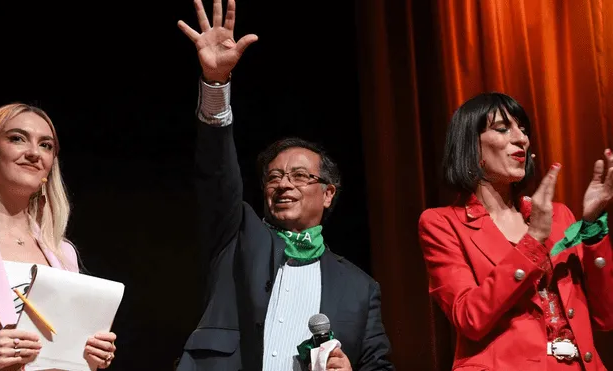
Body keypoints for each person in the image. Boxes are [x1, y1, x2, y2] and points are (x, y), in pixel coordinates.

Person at [174, 0, 394, 370]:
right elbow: (217, 174)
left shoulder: (360, 288)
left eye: (299, 176)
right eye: (274, 177)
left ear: (327, 194)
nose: (283, 185)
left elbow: (379, 365)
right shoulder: (238, 237)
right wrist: (216, 84)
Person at [418, 92, 613, 371]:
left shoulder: (558, 216)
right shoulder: (442, 223)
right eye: (502, 129)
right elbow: (469, 317)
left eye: (522, 129)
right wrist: (532, 242)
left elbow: (606, 316)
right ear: (471, 147)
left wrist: (593, 226)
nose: (521, 138)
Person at [0, 103, 118, 370]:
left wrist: (89, 354)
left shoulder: (62, 253)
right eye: (17, 138)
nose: (33, 153)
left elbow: (61, 348)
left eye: (46, 145)